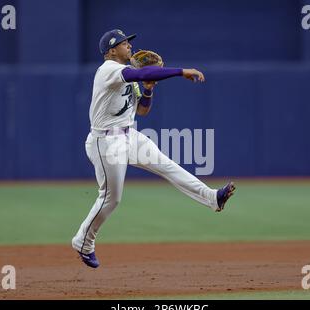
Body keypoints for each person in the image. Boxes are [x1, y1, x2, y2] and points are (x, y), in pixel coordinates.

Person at [72, 29, 235, 268]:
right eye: (123, 43)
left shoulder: (128, 75)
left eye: (129, 42)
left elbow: (142, 110)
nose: (129, 45)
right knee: (111, 198)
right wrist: (181, 72)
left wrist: (148, 87)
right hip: (106, 143)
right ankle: (83, 242)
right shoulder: (108, 70)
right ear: (111, 50)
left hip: (129, 136)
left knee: (167, 166)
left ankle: (212, 198)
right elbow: (143, 72)